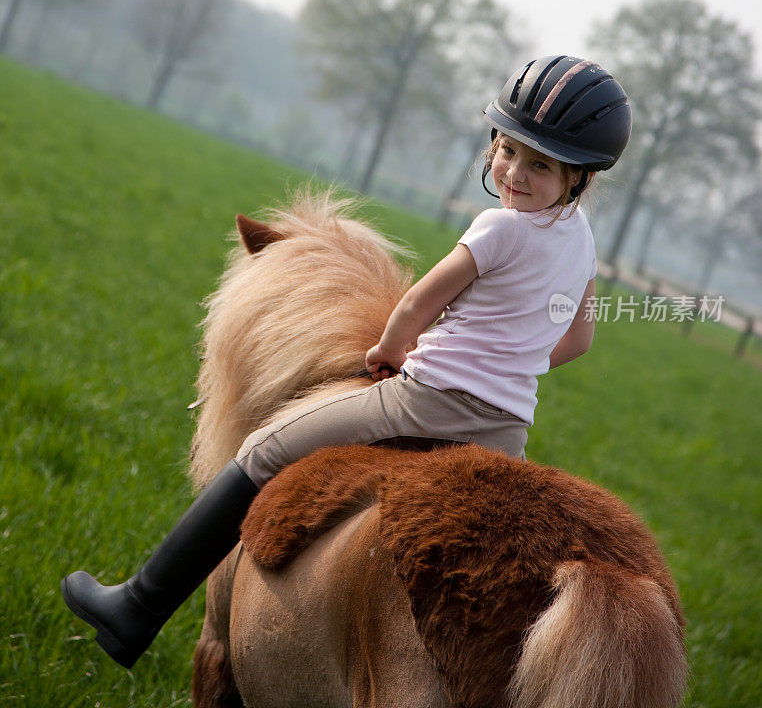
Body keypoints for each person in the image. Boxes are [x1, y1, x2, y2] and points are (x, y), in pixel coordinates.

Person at [61, 54, 632, 669]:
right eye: (507, 150)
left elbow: (418, 300)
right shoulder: (582, 240)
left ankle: (135, 609)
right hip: (506, 429)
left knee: (263, 450)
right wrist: (513, 358)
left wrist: (389, 351)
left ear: (577, 177)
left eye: (538, 165)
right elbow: (578, 340)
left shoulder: (497, 227)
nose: (514, 172)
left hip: (427, 397)